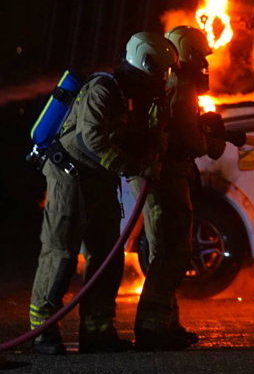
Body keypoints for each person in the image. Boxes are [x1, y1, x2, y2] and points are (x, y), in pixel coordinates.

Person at [29, 32, 176, 355]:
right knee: (61, 253)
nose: (164, 79)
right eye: (162, 71)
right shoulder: (103, 88)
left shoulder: (135, 95)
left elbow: (138, 137)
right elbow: (91, 139)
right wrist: (135, 166)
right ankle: (43, 331)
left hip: (101, 179)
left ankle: (97, 330)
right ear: (146, 63)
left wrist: (155, 138)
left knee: (107, 253)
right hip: (70, 175)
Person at [134, 25, 243, 350]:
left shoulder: (172, 84)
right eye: (200, 57)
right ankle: (152, 329)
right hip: (167, 176)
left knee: (169, 251)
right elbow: (189, 141)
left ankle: (167, 324)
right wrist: (213, 138)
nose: (205, 64)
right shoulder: (182, 87)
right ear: (187, 55)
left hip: (168, 174)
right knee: (170, 252)